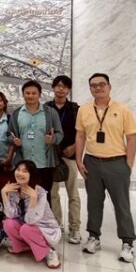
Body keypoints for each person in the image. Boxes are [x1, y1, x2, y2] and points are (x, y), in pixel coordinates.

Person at [76, 73, 136, 263]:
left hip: (117, 162)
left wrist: (128, 165)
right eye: (93, 85)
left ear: (109, 87)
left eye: (102, 84)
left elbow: (131, 137)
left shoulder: (123, 109)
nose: (98, 88)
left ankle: (127, 243)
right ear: (90, 89)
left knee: (121, 204)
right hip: (92, 162)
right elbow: (80, 136)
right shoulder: (84, 110)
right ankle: (93, 237)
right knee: (94, 202)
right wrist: (79, 160)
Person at [8, 80, 64, 201]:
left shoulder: (50, 112)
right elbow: (9, 134)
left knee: (44, 199)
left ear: (40, 94)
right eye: (27, 93)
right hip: (23, 166)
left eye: (34, 93)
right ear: (23, 94)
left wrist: (53, 139)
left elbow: (60, 134)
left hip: (44, 163)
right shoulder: (16, 114)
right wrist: (14, 141)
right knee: (23, 198)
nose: (31, 96)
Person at [1, 160, 62, 268]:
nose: (20, 173)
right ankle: (23, 246)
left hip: (45, 229)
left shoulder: (40, 192)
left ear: (31, 175)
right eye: (18, 170)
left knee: (26, 229)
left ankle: (49, 251)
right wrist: (3, 193)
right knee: (8, 223)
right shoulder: (14, 189)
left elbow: (31, 221)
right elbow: (11, 215)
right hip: (27, 226)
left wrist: (33, 198)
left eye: (25, 171)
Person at [45, 75, 81, 244]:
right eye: (58, 86)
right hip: (51, 156)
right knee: (52, 193)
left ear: (69, 89)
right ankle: (56, 224)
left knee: (73, 193)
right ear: (53, 88)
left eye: (64, 86)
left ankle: (75, 227)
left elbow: (83, 133)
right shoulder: (46, 108)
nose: (61, 89)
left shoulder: (75, 109)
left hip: (70, 156)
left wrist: (74, 147)